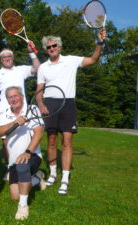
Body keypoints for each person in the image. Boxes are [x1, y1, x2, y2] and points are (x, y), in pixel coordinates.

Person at [36, 29, 107, 195]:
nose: (52, 48)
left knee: (67, 141)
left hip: (68, 103)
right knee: (51, 141)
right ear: (46, 50)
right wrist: (40, 104)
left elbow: (93, 60)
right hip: (50, 104)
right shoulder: (43, 67)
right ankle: (53, 173)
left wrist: (99, 43)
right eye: (49, 47)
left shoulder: (71, 60)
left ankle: (65, 179)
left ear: (60, 47)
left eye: (54, 45)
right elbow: (39, 89)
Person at [0, 41, 41, 180]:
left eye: (9, 56)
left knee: (27, 138)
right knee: (6, 143)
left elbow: (37, 68)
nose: (7, 59)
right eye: (4, 57)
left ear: (12, 58)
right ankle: (10, 168)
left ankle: (30, 166)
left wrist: (31, 52)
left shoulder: (21, 69)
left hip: (22, 111)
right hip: (5, 113)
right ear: (1, 60)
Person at [0, 86, 45, 220]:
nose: (13, 99)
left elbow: (39, 132)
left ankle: (23, 207)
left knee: (23, 166)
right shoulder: (5, 114)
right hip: (13, 162)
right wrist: (14, 122)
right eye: (10, 97)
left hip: (32, 155)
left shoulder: (32, 109)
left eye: (15, 96)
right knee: (14, 196)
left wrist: (28, 152)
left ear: (22, 97)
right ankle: (36, 178)